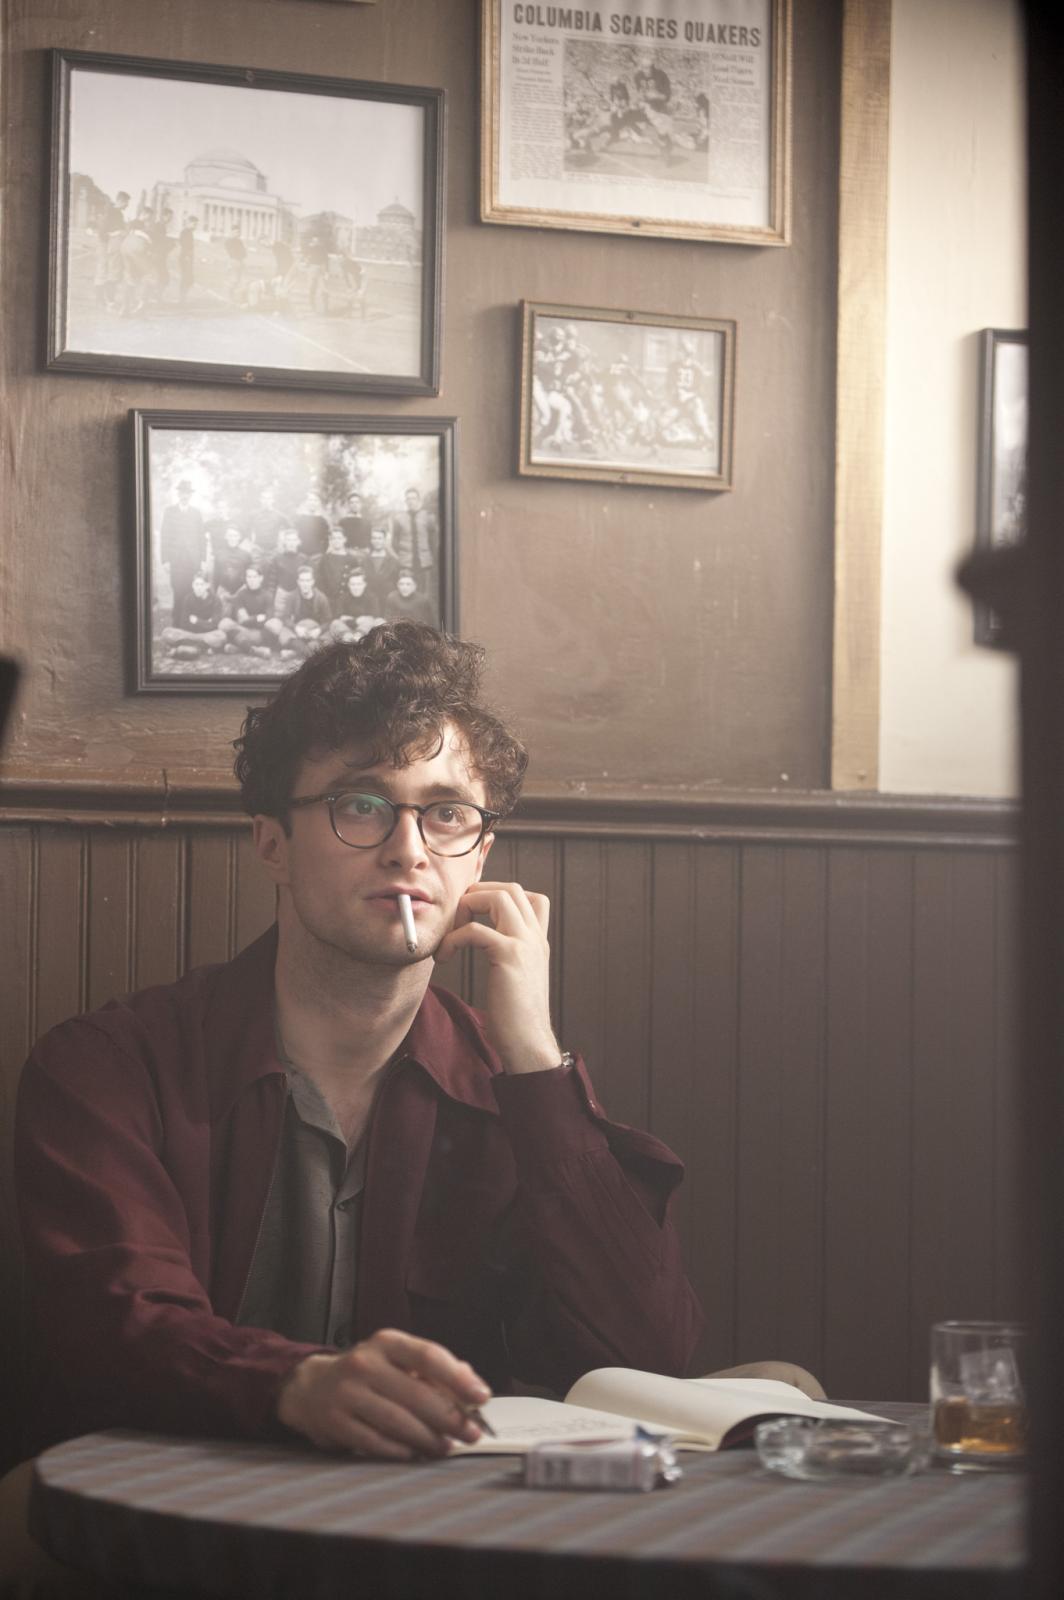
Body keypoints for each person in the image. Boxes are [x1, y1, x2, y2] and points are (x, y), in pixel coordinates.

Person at [7, 624, 822, 1593]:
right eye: (361, 804)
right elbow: (116, 1327)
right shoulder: (110, 1065)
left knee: (785, 1392)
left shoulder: (509, 1085)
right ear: (271, 842)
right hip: (175, 1508)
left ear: (480, 856)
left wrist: (534, 1060)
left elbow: (646, 1353)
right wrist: (297, 1385)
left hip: (439, 1523)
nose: (408, 850)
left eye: (445, 814)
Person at [159, 478, 206, 610]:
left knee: (193, 590)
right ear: (178, 494)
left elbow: (202, 538)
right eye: (182, 493)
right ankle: (178, 619)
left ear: (190, 495)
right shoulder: (169, 512)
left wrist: (203, 560)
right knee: (178, 590)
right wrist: (165, 560)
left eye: (187, 493)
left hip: (193, 559)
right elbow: (165, 537)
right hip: (176, 560)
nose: (185, 496)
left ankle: (191, 619)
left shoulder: (196, 513)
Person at [159, 572, 227, 658]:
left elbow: (215, 624)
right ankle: (201, 648)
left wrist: (197, 621)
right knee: (166, 632)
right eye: (196, 584)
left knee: (222, 636)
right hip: (190, 634)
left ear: (207, 585)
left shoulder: (215, 600)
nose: (199, 588)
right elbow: (184, 624)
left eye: (201, 584)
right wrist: (207, 622)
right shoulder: (188, 599)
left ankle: (187, 648)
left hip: (208, 635)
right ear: (192, 585)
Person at [389, 487, 436, 576]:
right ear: (405, 501)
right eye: (408, 499)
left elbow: (433, 541)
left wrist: (430, 556)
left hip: (425, 563)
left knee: (425, 584)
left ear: (418, 500)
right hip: (406, 564)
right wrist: (403, 555)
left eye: (413, 498)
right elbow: (394, 542)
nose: (410, 501)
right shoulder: (399, 519)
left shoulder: (428, 517)